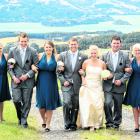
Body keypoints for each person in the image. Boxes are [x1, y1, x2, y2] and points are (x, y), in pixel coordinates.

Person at [8, 32, 39, 128]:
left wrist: (27, 75)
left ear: (28, 41)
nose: (23, 43)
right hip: (15, 81)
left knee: (26, 102)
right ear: (18, 41)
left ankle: (24, 121)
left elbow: (36, 66)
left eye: (25, 41)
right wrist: (13, 77)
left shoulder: (33, 51)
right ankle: (20, 117)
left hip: (28, 81)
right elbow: (9, 67)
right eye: (21, 41)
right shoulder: (12, 50)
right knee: (16, 100)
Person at [57, 38, 87, 131]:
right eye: (71, 44)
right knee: (66, 103)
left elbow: (86, 71)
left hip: (78, 84)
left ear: (78, 45)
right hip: (66, 84)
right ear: (68, 45)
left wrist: (84, 73)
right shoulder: (62, 55)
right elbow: (58, 71)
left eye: (75, 44)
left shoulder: (84, 56)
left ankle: (73, 123)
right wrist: (63, 81)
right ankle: (67, 122)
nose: (73, 46)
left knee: (76, 104)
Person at [32, 40, 62, 132]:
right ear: (44, 48)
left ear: (53, 48)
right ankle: (44, 120)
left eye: (50, 47)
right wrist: (33, 67)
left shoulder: (57, 57)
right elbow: (34, 64)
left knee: (49, 103)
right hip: (41, 82)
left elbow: (60, 68)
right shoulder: (40, 56)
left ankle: (48, 124)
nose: (48, 49)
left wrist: (60, 68)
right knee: (41, 104)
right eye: (46, 47)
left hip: (51, 82)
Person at [102, 35, 130, 129]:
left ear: (120, 44)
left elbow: (129, 71)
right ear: (111, 44)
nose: (116, 45)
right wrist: (104, 76)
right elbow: (101, 70)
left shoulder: (125, 55)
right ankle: (109, 122)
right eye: (114, 43)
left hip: (119, 85)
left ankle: (116, 123)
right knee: (107, 103)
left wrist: (122, 81)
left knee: (118, 106)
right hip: (108, 85)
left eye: (118, 43)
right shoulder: (105, 56)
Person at [79, 45, 109, 131]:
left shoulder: (102, 63)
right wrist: (83, 80)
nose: (93, 54)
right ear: (90, 53)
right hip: (88, 86)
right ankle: (90, 124)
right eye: (92, 53)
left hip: (98, 86)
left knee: (98, 105)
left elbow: (104, 74)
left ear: (97, 53)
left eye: (95, 53)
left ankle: (97, 123)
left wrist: (105, 77)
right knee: (89, 105)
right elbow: (82, 73)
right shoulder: (86, 62)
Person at [123, 43, 140, 132]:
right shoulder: (131, 60)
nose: (138, 52)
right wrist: (126, 69)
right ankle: (136, 125)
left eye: (139, 50)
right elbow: (125, 68)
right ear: (133, 51)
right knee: (134, 106)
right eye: (136, 50)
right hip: (133, 84)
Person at [0, 43, 11, 122]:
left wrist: (11, 65)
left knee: (1, 99)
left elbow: (9, 68)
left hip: (3, 79)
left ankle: (1, 117)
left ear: (2, 48)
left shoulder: (6, 57)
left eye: (0, 48)